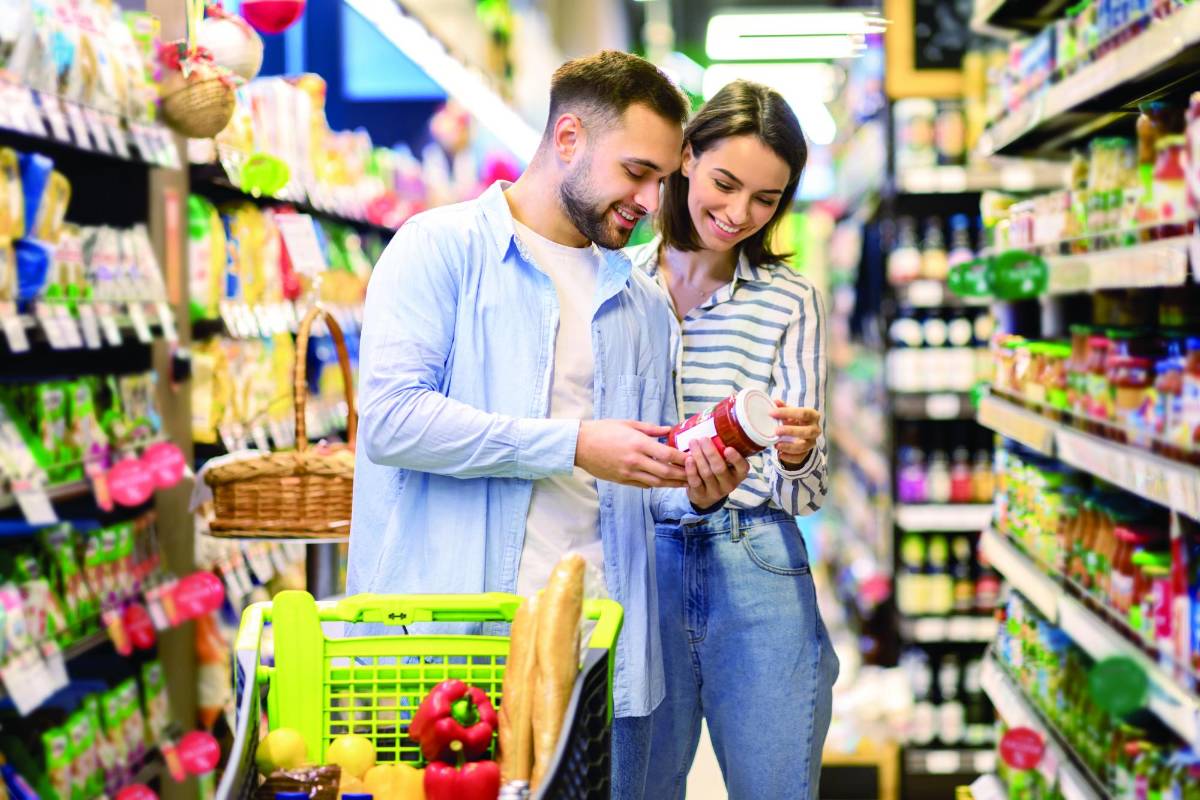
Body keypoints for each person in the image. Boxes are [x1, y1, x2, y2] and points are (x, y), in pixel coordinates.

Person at [347, 50, 750, 797]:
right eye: (636, 172)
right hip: (446, 651)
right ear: (568, 139)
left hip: (594, 658)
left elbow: (640, 483)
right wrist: (571, 444)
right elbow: (394, 423)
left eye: (664, 180)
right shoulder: (439, 249)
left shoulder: (640, 303)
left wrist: (696, 488)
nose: (650, 199)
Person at [626, 79, 839, 799]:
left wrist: (798, 452)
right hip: (636, 562)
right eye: (724, 183)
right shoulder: (616, 285)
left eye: (766, 199)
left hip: (756, 560)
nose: (738, 213)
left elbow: (808, 494)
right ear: (685, 157)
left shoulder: (791, 299)